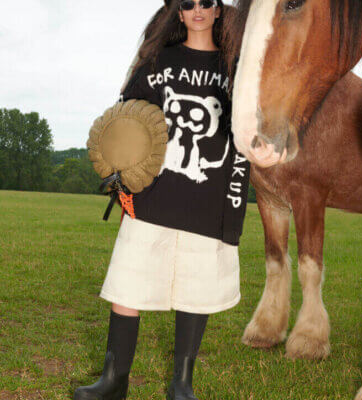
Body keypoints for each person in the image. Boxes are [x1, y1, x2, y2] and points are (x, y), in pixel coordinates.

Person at [74, 1, 250, 399]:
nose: (198, 9)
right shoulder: (158, 61)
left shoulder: (236, 69)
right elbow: (126, 120)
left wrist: (234, 203)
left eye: (207, 2)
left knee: (196, 287)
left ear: (219, 10)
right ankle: (114, 380)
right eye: (188, 3)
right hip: (153, 196)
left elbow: (248, 132)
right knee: (126, 284)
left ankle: (181, 384)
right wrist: (122, 181)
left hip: (207, 197)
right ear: (179, 12)